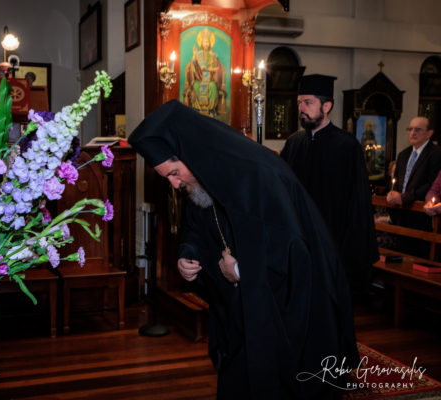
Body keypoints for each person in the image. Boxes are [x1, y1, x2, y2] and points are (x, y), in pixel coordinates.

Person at [129, 100, 358, 399]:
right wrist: (188, 253)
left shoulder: (259, 175)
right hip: (242, 313)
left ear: (191, 154)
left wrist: (240, 270)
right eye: (167, 178)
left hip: (285, 315)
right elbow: (197, 227)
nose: (174, 184)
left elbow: (291, 250)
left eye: (173, 172)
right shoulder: (202, 180)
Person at [280, 74, 378, 299]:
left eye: (308, 103)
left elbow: (358, 202)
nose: (301, 108)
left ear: (326, 106)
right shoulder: (294, 143)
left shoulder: (347, 146)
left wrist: (353, 249)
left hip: (334, 242)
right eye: (299, 103)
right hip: (299, 239)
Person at [387, 117, 441, 254]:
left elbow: (431, 184)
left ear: (429, 133)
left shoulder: (436, 154)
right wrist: (393, 193)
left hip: (421, 216)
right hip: (401, 214)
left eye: (418, 130)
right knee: (400, 255)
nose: (412, 133)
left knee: (418, 256)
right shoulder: (403, 154)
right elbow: (396, 180)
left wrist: (404, 197)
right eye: (410, 129)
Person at [182, 28, 226, 120]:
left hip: (210, 78)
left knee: (213, 87)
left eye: (208, 42)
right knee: (196, 86)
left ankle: (211, 110)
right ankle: (197, 110)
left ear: (210, 43)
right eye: (204, 42)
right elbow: (193, 65)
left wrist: (214, 68)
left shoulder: (213, 55)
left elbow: (217, 67)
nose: (206, 44)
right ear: (201, 43)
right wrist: (194, 54)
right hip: (199, 78)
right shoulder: (198, 54)